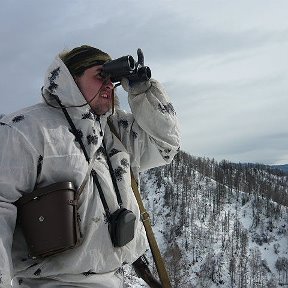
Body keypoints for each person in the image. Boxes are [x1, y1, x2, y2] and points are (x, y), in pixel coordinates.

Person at [0, 45, 180, 287]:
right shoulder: (25, 130)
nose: (108, 85)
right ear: (70, 80)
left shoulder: (114, 129)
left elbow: (165, 145)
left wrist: (142, 90)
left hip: (115, 278)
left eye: (111, 79)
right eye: (100, 75)